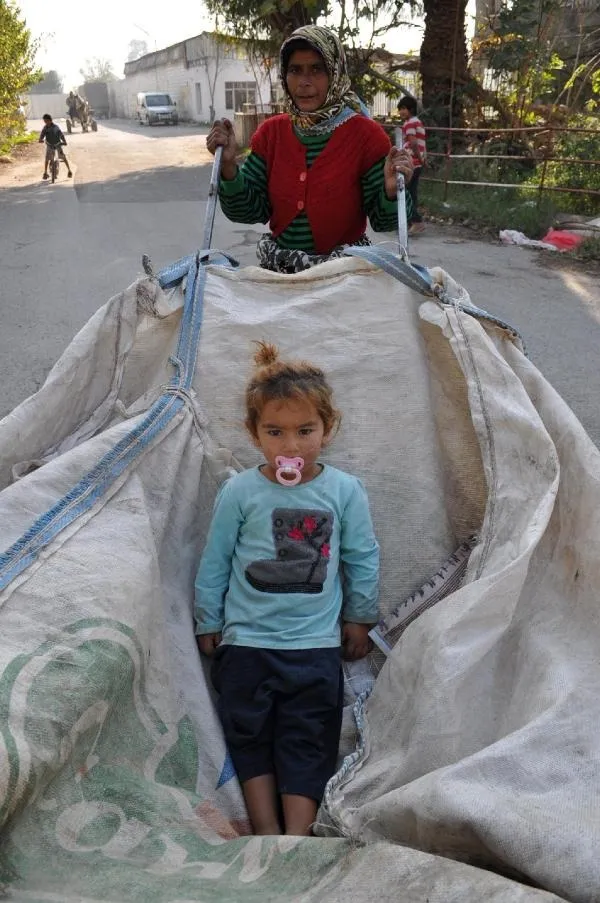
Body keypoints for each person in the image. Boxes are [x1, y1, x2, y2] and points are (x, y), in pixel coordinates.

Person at [194, 341, 380, 836]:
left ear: (328, 429)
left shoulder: (344, 491)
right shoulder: (240, 491)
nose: (291, 447)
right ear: (255, 435)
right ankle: (265, 831)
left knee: (308, 738)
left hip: (314, 650)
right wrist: (208, 620)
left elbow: (362, 557)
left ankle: (295, 840)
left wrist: (359, 617)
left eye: (305, 431)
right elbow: (215, 561)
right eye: (275, 433)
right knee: (248, 733)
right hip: (246, 647)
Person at [206, 25, 414, 273]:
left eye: (317, 69)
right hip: (280, 273)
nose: (304, 82)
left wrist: (392, 192)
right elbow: (249, 210)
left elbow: (384, 220)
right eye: (295, 70)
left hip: (344, 275)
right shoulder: (270, 134)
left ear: (335, 73)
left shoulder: (366, 136)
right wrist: (228, 168)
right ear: (285, 75)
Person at [397, 95, 427, 235]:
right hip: (417, 163)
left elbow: (413, 143)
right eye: (400, 109)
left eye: (403, 109)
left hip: (411, 163)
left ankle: (416, 221)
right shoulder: (417, 122)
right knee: (412, 193)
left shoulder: (409, 123)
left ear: (411, 109)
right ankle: (410, 223)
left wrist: (419, 159)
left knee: (406, 193)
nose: (401, 112)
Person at [39, 114, 72, 180]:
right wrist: (40, 139)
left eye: (47, 121)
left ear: (50, 120)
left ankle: (69, 170)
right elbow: (42, 135)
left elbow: (61, 135)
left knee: (63, 157)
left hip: (57, 144)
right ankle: (45, 172)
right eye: (45, 121)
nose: (46, 122)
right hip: (49, 145)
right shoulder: (45, 128)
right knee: (47, 159)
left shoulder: (56, 127)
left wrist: (64, 141)